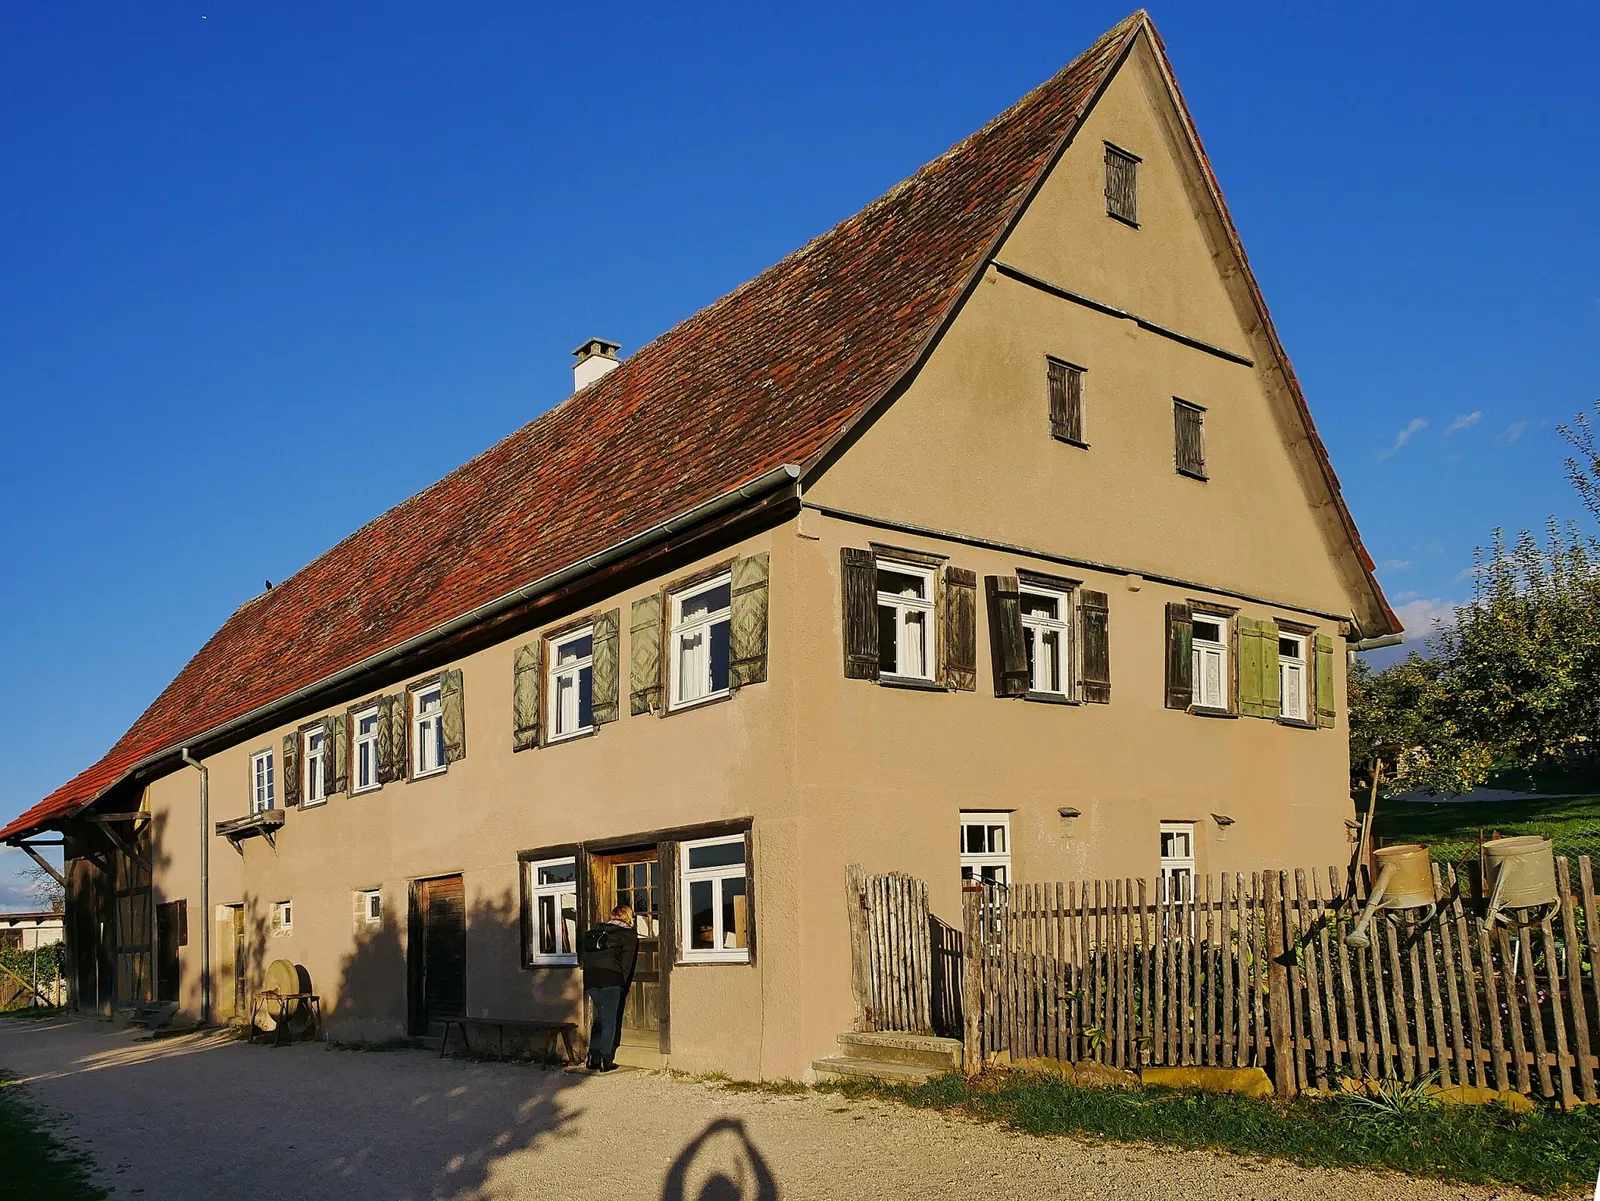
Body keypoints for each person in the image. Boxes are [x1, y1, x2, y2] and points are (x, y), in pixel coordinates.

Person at [581, 903, 640, 1070]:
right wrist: (625, 985)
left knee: (601, 1017)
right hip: (611, 978)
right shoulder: (628, 934)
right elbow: (627, 963)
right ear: (628, 916)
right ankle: (605, 1059)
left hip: (591, 978)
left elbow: (586, 956)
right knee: (609, 1019)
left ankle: (592, 1057)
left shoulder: (597, 930)